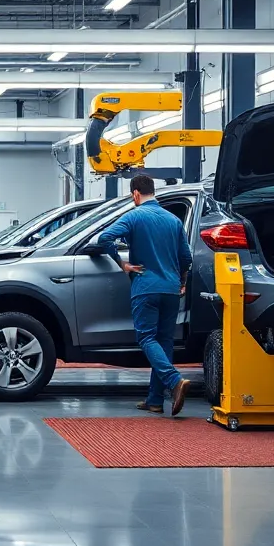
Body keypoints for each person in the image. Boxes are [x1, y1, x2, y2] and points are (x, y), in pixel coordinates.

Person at [95, 174, 193, 416]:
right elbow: (186, 258)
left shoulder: (134, 215)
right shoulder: (173, 220)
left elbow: (104, 238)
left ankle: (174, 380)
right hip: (171, 289)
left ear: (135, 194)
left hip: (146, 287)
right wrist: (182, 282)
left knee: (147, 338)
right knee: (164, 342)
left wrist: (122, 263)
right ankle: (155, 400)